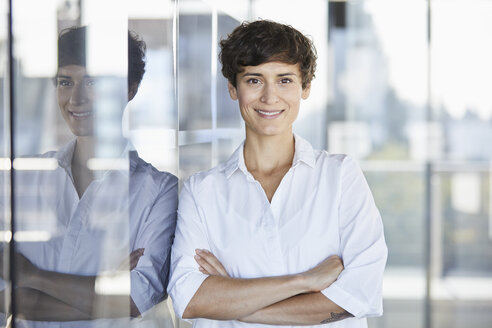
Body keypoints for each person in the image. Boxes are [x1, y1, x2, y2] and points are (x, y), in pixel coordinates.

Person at [168, 20, 388, 327]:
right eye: (254, 80)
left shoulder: (340, 177)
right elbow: (189, 299)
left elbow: (358, 296)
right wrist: (304, 281)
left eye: (284, 80)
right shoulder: (202, 192)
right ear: (233, 88)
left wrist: (233, 303)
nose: (270, 97)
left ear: (305, 88)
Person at [0, 26, 177, 326]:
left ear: (129, 88)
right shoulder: (19, 180)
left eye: (93, 82)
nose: (76, 99)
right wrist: (106, 290)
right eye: (65, 82)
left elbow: (135, 298)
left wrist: (31, 275)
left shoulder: (158, 190)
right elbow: (10, 301)